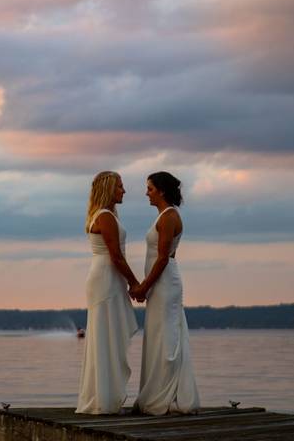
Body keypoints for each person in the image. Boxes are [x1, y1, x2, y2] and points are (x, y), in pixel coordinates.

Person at [131, 171, 200, 414]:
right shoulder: (163, 216)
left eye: (149, 188)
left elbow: (162, 259)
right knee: (159, 334)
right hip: (159, 283)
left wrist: (143, 286)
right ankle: (160, 391)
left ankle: (166, 396)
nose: (146, 193)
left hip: (164, 283)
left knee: (167, 337)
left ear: (161, 190)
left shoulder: (169, 216)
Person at [76, 171, 142, 414]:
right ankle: (103, 399)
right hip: (106, 277)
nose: (123, 191)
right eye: (120, 187)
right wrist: (135, 283)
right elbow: (116, 256)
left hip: (105, 276)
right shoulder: (105, 217)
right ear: (108, 189)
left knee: (107, 336)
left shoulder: (104, 215)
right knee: (106, 337)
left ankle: (105, 395)